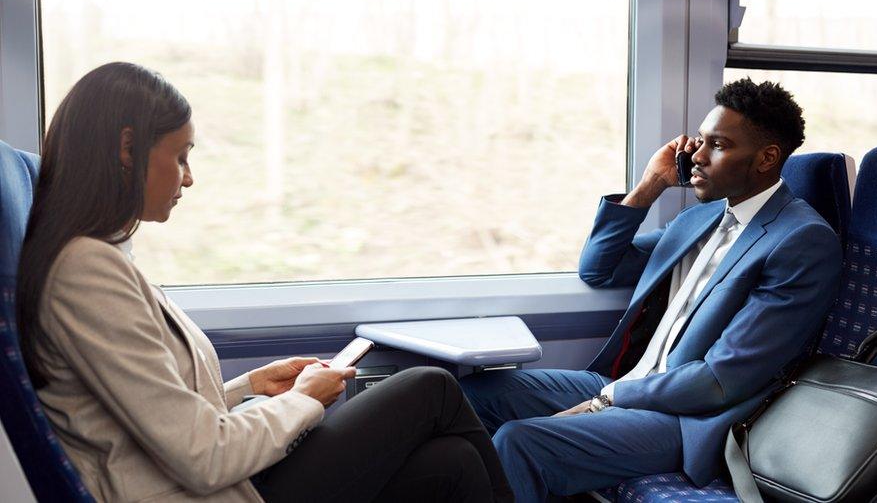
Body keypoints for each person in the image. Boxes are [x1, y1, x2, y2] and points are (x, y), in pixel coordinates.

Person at [16, 62, 513, 503]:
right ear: (128, 149)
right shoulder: (87, 271)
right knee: (430, 387)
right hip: (201, 489)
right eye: (181, 156)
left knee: (453, 464)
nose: (188, 178)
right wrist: (304, 398)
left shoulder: (99, 256)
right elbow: (204, 455)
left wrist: (250, 386)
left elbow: (155, 413)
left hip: (204, 479)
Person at [460, 79, 843, 501]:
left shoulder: (801, 241)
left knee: (522, 441)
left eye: (717, 145)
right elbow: (599, 269)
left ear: (767, 158)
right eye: (699, 141)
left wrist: (611, 397)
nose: (696, 156)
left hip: (690, 417)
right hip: (632, 383)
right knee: (477, 394)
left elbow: (720, 380)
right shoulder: (701, 219)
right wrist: (650, 185)